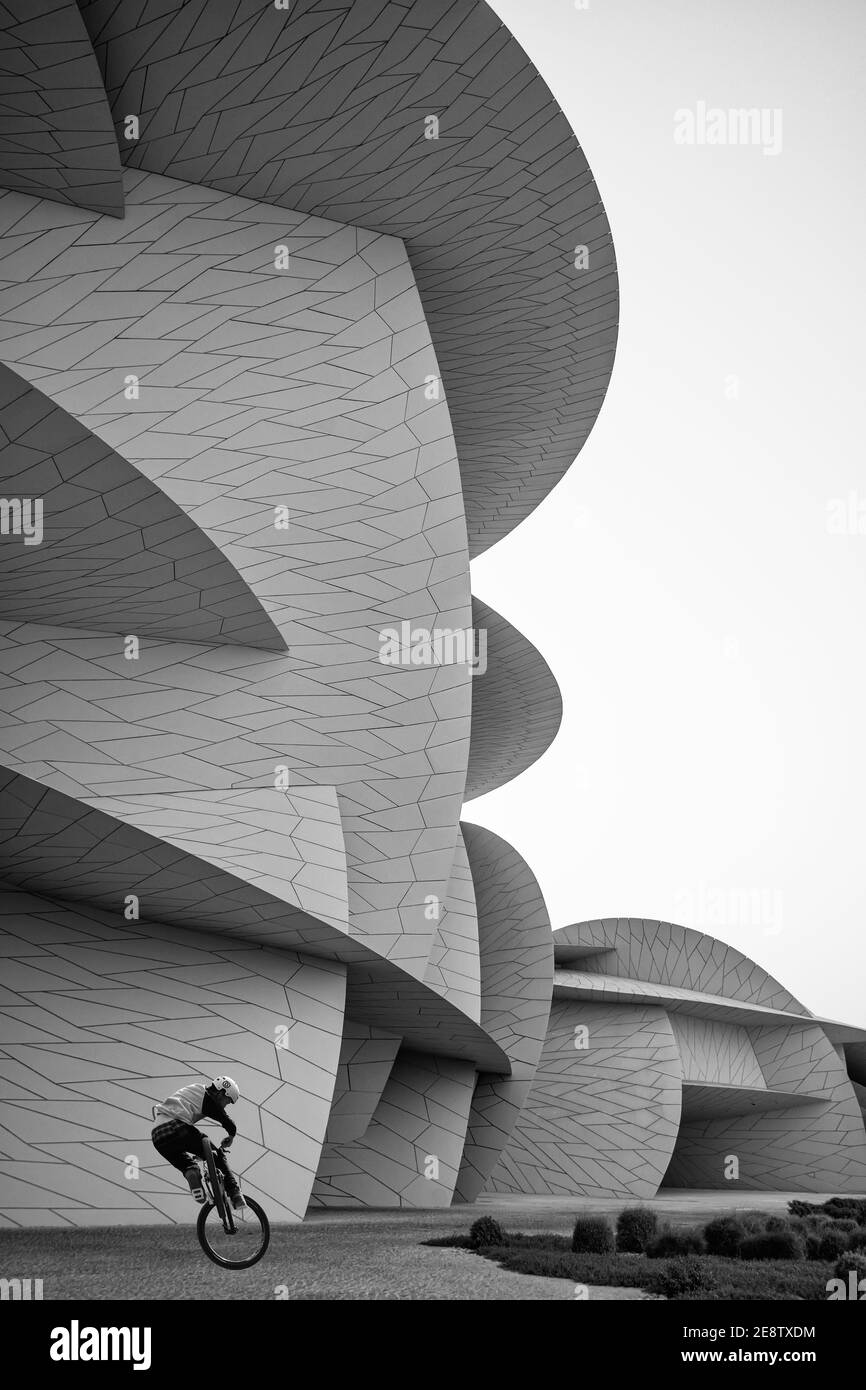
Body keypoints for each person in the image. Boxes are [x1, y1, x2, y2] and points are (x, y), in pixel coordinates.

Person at [151, 1076, 245, 1209]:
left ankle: (192, 1173)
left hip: (158, 1135)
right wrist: (231, 1136)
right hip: (175, 1126)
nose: (225, 1105)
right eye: (227, 1101)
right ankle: (236, 1195)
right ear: (220, 1093)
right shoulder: (207, 1097)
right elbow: (227, 1122)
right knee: (217, 1154)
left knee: (189, 1166)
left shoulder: (196, 1090)